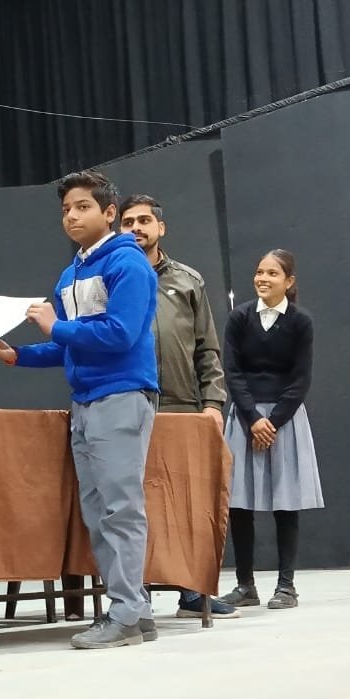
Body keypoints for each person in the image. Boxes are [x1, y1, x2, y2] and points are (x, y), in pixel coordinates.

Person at [0, 171, 159, 650]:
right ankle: (133, 610)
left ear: (109, 213)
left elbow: (120, 334)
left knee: (121, 508)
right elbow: (70, 345)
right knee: (98, 511)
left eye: (82, 207)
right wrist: (16, 355)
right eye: (65, 210)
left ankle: (125, 612)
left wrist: (55, 327)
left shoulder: (128, 263)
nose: (72, 216)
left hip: (121, 395)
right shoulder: (70, 274)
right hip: (85, 401)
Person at [118, 195, 239, 621]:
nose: (136, 227)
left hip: (183, 405)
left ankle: (193, 593)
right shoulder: (112, 277)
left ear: (161, 228)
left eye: (144, 220)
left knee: (188, 503)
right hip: (129, 403)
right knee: (134, 501)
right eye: (128, 221)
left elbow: (207, 348)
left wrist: (213, 402)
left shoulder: (188, 280)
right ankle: (137, 595)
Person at [219, 249, 324, 610]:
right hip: (246, 419)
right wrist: (252, 418)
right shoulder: (239, 317)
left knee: (285, 502)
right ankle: (245, 585)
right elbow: (232, 371)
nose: (263, 278)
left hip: (283, 420)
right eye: (259, 272)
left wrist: (273, 421)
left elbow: (301, 378)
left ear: (289, 281)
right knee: (240, 503)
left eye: (272, 273)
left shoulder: (300, 321)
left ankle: (286, 586)